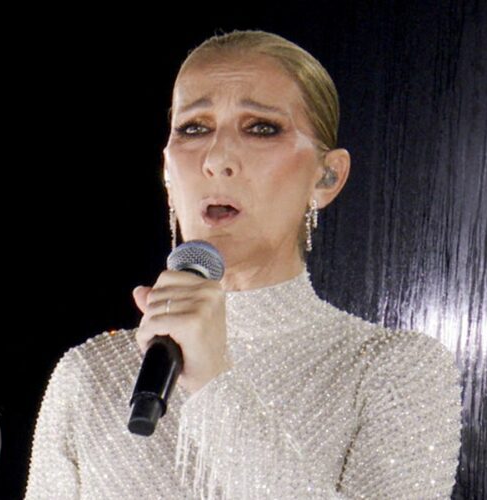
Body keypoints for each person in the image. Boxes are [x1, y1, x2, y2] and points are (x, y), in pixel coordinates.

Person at [25, 30, 462, 499]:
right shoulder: (89, 375)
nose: (217, 158)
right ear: (167, 172)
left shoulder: (394, 369)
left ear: (327, 175)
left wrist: (215, 380)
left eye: (260, 128)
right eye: (194, 128)